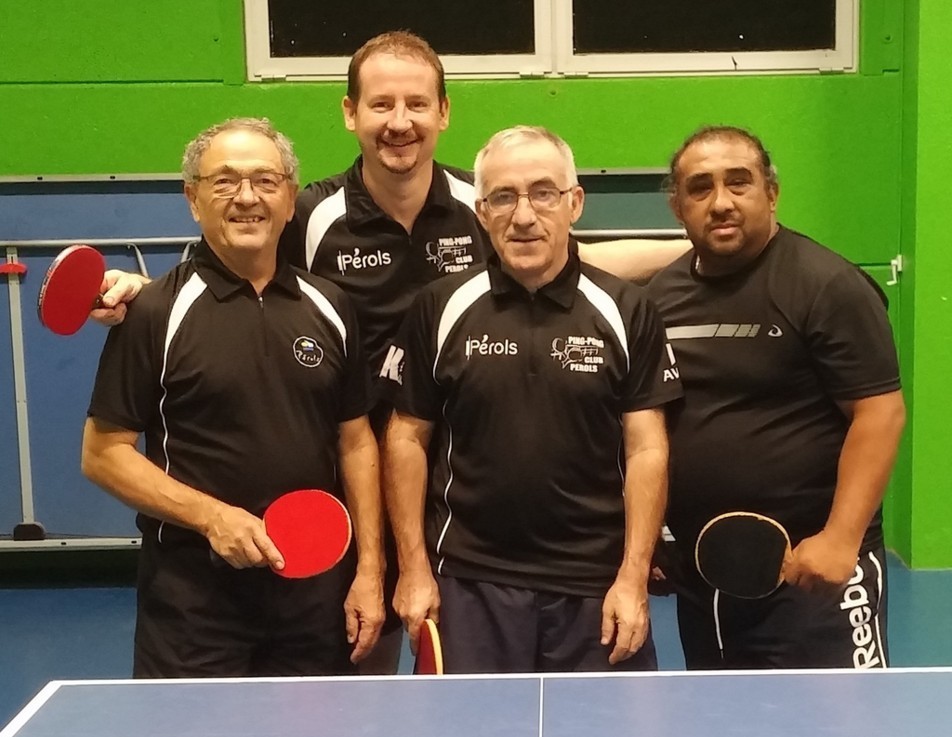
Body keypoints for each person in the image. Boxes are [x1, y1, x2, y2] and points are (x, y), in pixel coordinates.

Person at [91, 31, 687, 673]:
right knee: (365, 667)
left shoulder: (480, 202)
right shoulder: (310, 214)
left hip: (454, 494)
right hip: (348, 497)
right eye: (381, 104)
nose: (399, 122)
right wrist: (151, 294)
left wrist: (695, 248)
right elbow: (237, 263)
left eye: (416, 103)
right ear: (351, 113)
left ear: (443, 112)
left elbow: (571, 257)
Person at [81, 117, 384, 677]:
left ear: (290, 199)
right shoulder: (152, 312)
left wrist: (369, 568)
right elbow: (103, 455)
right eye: (224, 181)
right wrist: (211, 517)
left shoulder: (332, 305)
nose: (247, 198)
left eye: (266, 181)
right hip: (193, 599)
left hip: (313, 595)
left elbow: (356, 441)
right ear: (193, 199)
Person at [382, 125, 682, 673]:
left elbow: (647, 449)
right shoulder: (439, 306)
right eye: (503, 196)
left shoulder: (627, 309)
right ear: (481, 212)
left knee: (610, 730)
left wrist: (633, 576)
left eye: (543, 193)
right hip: (470, 583)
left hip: (595, 585)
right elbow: (406, 438)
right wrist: (413, 569)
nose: (523, 216)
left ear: (575, 204)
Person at [646, 125, 906, 669]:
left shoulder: (827, 285)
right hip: (705, 578)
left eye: (738, 182)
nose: (721, 202)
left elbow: (879, 414)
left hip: (813, 575)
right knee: (722, 718)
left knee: (840, 723)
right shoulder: (661, 298)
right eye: (700, 187)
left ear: (771, 192)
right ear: (677, 207)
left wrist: (840, 540)